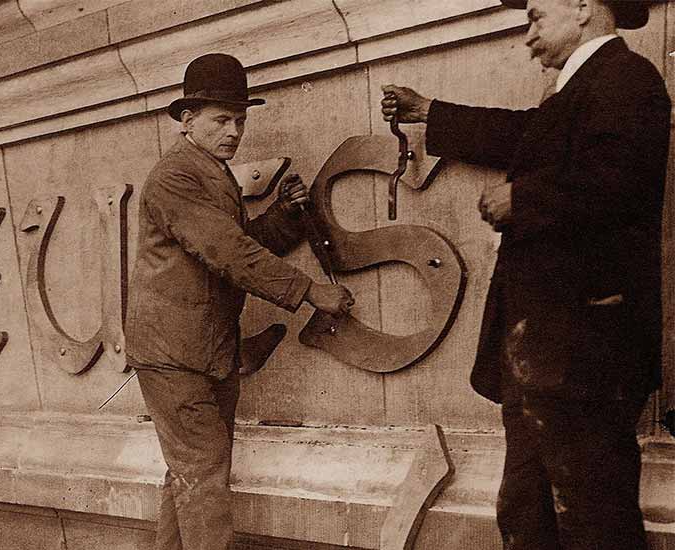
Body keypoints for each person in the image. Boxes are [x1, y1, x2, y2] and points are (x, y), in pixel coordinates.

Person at [381, 1, 670, 548]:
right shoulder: (585, 88)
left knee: (591, 517)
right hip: (550, 352)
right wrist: (430, 112)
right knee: (529, 510)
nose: (527, 34)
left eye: (536, 16)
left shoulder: (628, 78)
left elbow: (621, 178)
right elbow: (523, 135)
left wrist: (524, 197)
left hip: (583, 351)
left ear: (583, 7)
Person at [125, 53, 354, 550]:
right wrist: (310, 290)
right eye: (221, 120)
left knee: (191, 474)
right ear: (187, 120)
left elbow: (233, 242)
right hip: (175, 355)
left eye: (241, 120)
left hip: (202, 351)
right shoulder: (176, 176)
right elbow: (225, 250)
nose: (234, 132)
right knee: (202, 473)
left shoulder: (210, 170)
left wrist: (284, 217)